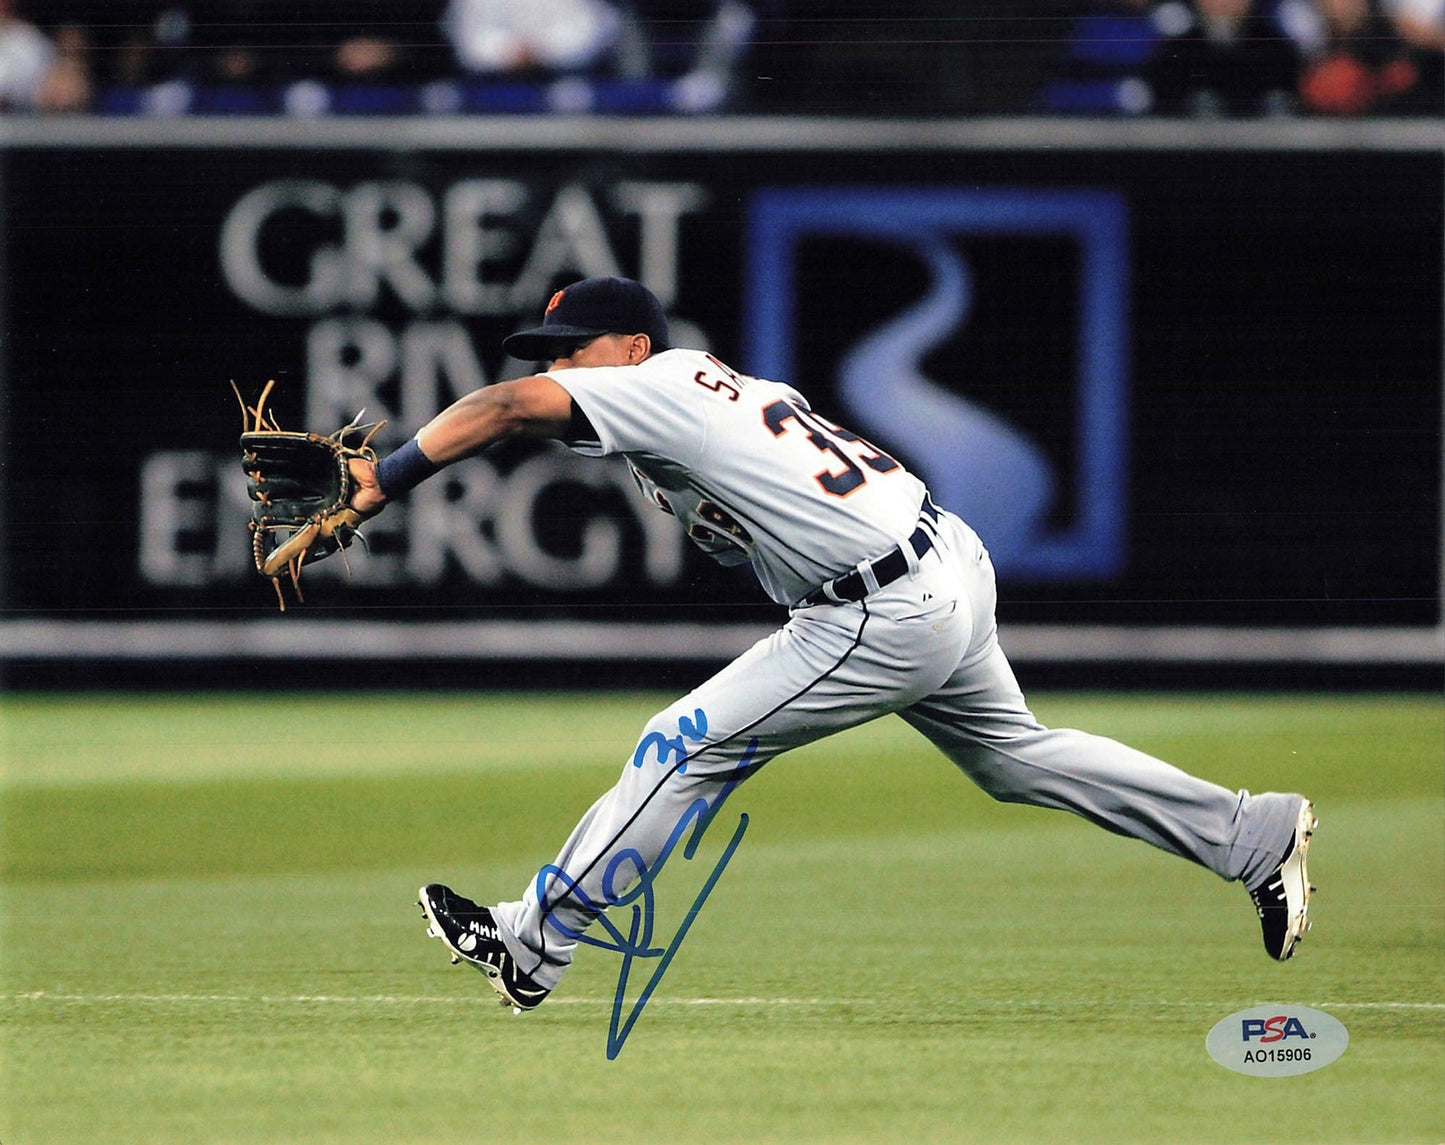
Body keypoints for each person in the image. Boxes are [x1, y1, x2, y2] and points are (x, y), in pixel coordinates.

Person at [346, 276, 1318, 1015]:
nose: (554, 366)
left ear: (633, 343)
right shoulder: (697, 392)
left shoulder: (656, 381)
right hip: (941, 564)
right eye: (546, 350)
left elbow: (506, 408)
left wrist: (382, 479)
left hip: (881, 607)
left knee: (681, 743)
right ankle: (1249, 831)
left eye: (571, 347)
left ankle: (532, 941)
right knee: (1015, 757)